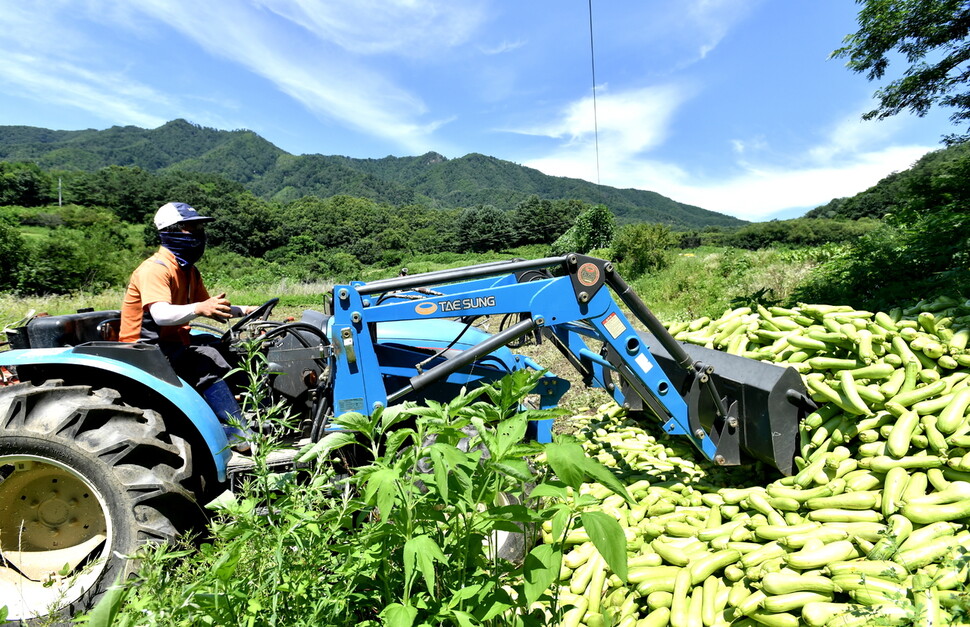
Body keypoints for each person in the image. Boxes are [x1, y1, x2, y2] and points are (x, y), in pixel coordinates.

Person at [120, 201, 256, 453]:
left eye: (199, 229)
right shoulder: (155, 269)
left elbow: (209, 305)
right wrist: (199, 309)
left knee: (226, 347)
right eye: (190, 228)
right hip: (144, 350)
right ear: (169, 231)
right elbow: (160, 314)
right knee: (206, 358)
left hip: (172, 345)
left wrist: (246, 310)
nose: (197, 235)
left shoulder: (189, 271)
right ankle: (237, 432)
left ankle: (246, 411)